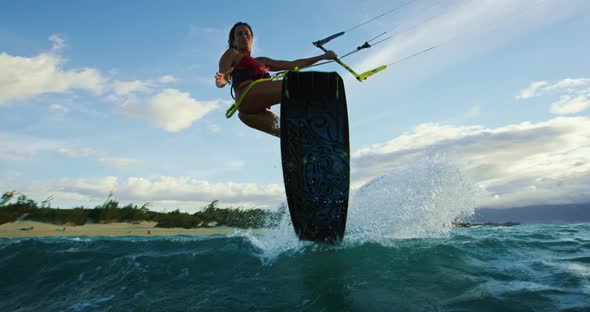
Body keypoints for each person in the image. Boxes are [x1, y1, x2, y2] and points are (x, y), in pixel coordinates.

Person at [215, 22, 337, 137]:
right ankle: (319, 119)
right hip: (247, 95)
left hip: (248, 113)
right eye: (239, 34)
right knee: (299, 85)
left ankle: (304, 139)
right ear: (234, 41)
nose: (244, 36)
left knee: (288, 130)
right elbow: (223, 75)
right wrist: (222, 80)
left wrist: (323, 57)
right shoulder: (232, 53)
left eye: (247, 33)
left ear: (252, 39)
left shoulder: (262, 61)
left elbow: (293, 64)